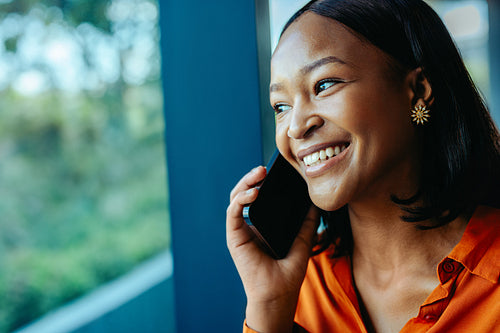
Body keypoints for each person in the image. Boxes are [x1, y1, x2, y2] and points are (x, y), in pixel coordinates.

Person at [226, 0, 500, 332]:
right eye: (281, 105)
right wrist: (269, 308)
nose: (295, 127)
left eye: (324, 85)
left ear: (417, 90)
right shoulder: (298, 287)